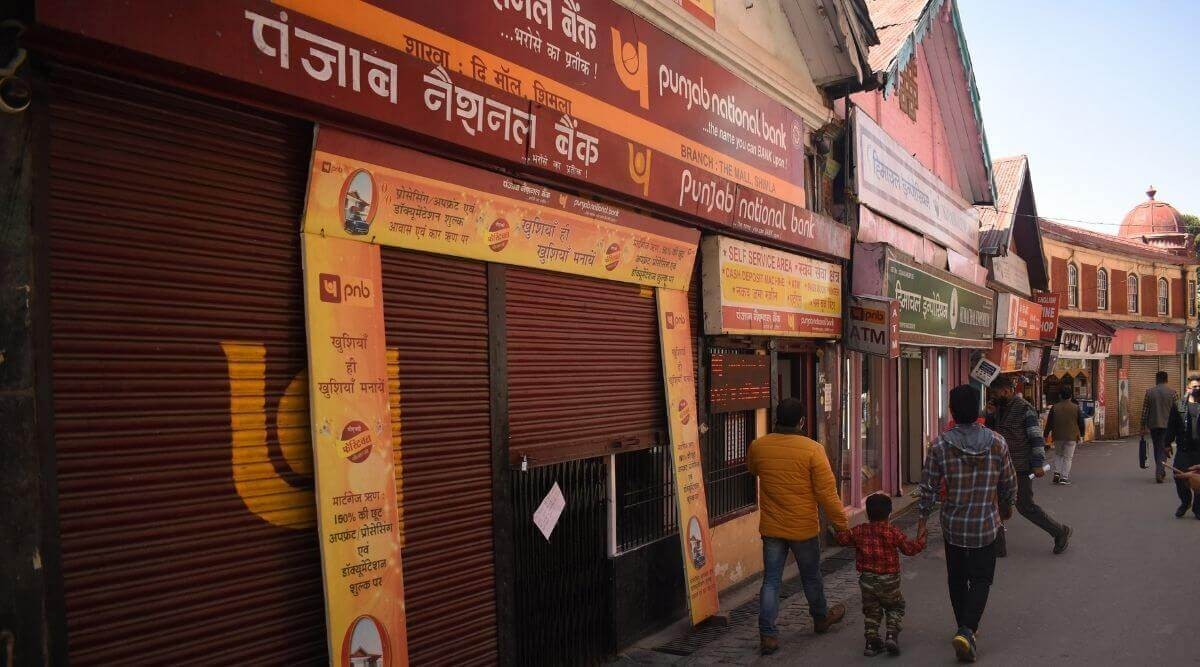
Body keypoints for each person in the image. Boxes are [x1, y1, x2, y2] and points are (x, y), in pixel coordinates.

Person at [918, 385, 1016, 663]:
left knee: (957, 578)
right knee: (982, 578)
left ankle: (964, 627)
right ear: (978, 410)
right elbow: (1008, 482)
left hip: (954, 525)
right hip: (985, 524)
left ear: (952, 411)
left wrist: (922, 520)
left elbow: (928, 487)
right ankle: (967, 629)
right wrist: (1007, 506)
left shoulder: (939, 445)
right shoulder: (997, 442)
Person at [747, 397, 849, 656]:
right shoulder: (813, 449)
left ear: (776, 419)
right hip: (803, 527)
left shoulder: (759, 446)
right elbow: (827, 493)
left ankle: (768, 635)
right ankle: (820, 617)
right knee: (811, 576)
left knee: (771, 581)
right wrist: (841, 524)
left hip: (772, 527)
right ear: (802, 422)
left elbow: (753, 469)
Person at [987, 375, 1072, 554]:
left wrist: (1037, 463)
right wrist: (990, 414)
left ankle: (1059, 531)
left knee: (1025, 506)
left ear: (1006, 391)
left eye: (995, 393)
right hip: (1000, 466)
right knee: (997, 504)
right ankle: (998, 546)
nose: (992, 397)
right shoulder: (999, 408)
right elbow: (991, 433)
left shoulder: (1025, 409)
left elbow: (1036, 437)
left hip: (1020, 466)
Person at [835, 493, 927, 656]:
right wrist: (921, 542)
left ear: (866, 514)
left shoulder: (860, 530)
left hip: (867, 579)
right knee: (895, 606)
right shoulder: (892, 531)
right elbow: (908, 549)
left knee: (872, 610)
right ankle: (891, 634)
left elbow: (842, 539)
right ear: (889, 513)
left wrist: (837, 527)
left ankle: (871, 642)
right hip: (889, 579)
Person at [1167, 375, 1200, 518]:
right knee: (1179, 475)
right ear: (1188, 388)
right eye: (1194, 386)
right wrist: (1167, 443)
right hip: (1184, 448)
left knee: (1198, 478)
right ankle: (1185, 502)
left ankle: (1197, 507)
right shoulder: (1179, 405)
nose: (1197, 389)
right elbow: (1171, 425)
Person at [1043, 385, 1086, 486]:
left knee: (1058, 454)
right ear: (1071, 396)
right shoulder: (1076, 408)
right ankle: (1064, 477)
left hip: (1057, 435)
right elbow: (1081, 422)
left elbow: (1049, 422)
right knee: (1068, 457)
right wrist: (1082, 434)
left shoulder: (1054, 407)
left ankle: (1057, 473)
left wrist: (1046, 434)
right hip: (1072, 436)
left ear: (1060, 396)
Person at [1142, 370, 1178, 483]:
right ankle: (1160, 471)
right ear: (1167, 380)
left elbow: (1144, 411)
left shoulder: (1149, 392)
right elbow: (1178, 411)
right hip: (1168, 426)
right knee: (1162, 447)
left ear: (1156, 380)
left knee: (1158, 447)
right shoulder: (1173, 393)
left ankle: (1160, 470)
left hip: (1153, 425)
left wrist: (1142, 426)